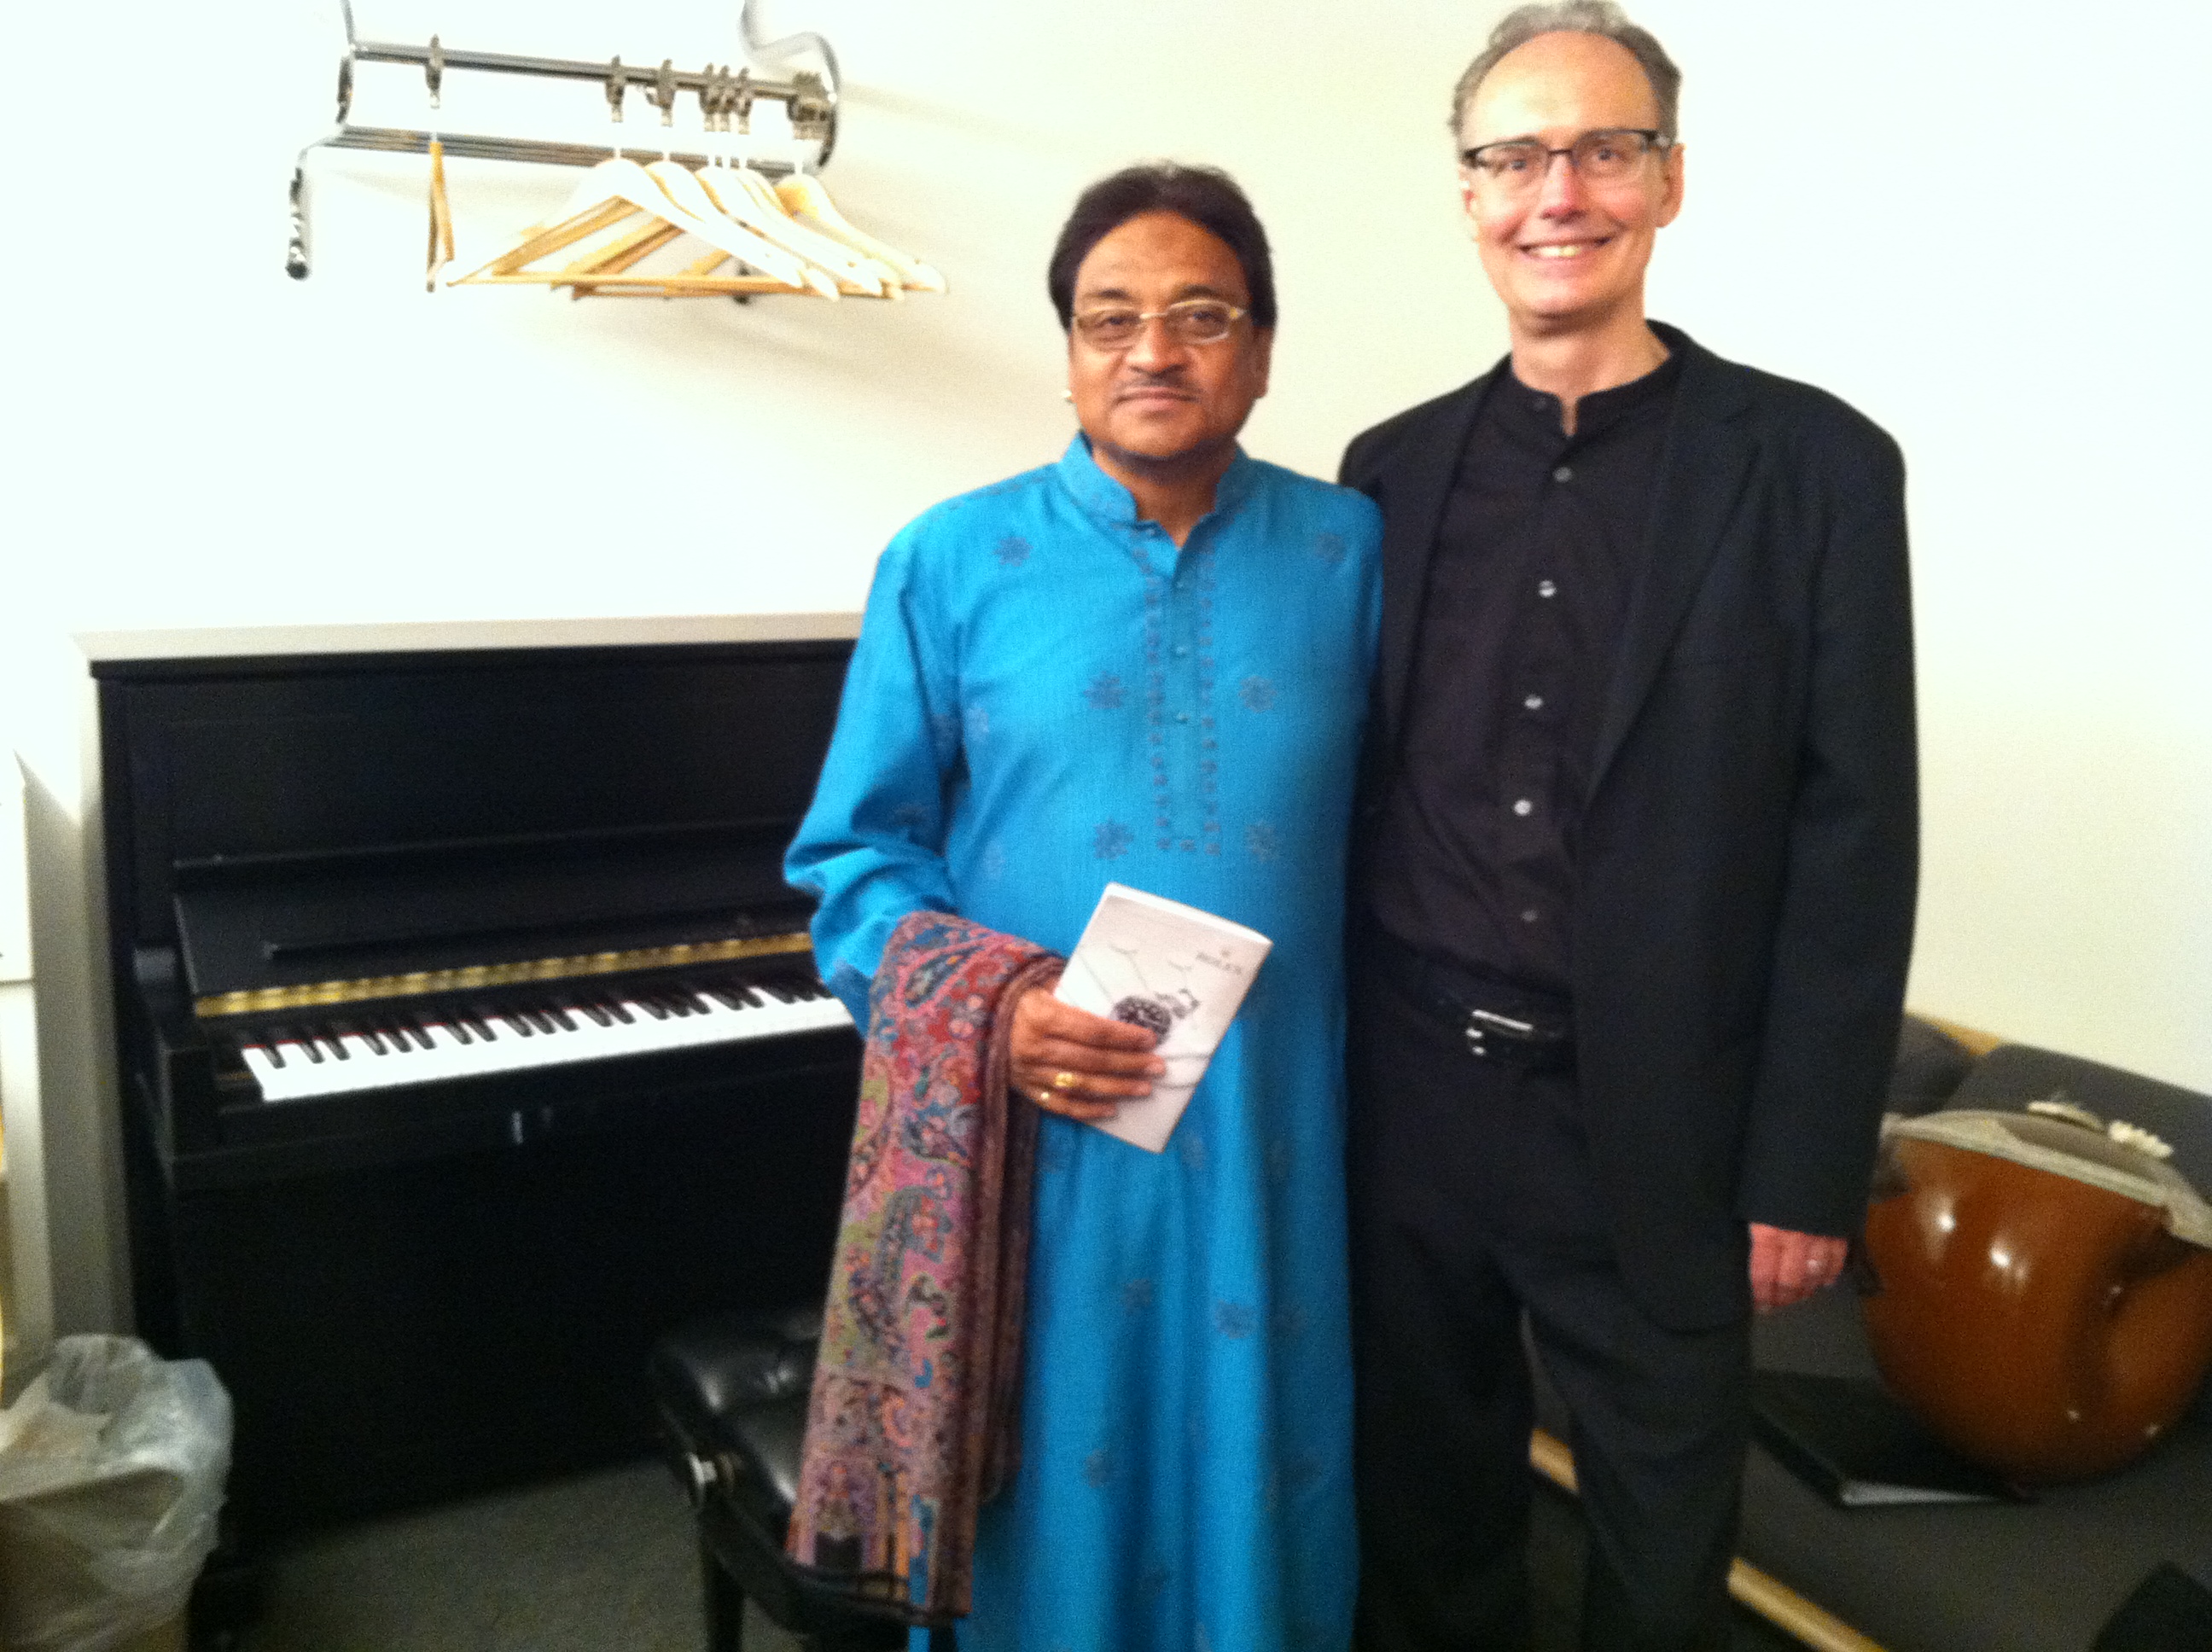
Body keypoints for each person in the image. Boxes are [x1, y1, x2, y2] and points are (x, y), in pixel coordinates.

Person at [1339, 6, 1918, 1649]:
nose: (1557, 191)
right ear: (1467, 197)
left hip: (1657, 1118)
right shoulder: (1385, 476)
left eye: (1604, 149)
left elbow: (1854, 840)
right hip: (1412, 1093)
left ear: (1670, 182)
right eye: (1514, 157)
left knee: (1662, 1554)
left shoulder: (1815, 470)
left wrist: (1806, 1170)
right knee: (1426, 1501)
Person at [788, 162, 1381, 1652]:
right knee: (1056, 1483)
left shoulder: (1353, 553)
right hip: (1041, 1136)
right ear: (1066, 351)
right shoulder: (949, 561)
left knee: (1268, 1462)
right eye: (1110, 317)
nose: (1154, 352)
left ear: (1259, 350)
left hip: (1280, 1140)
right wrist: (1001, 1023)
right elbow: (854, 861)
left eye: (1201, 316)